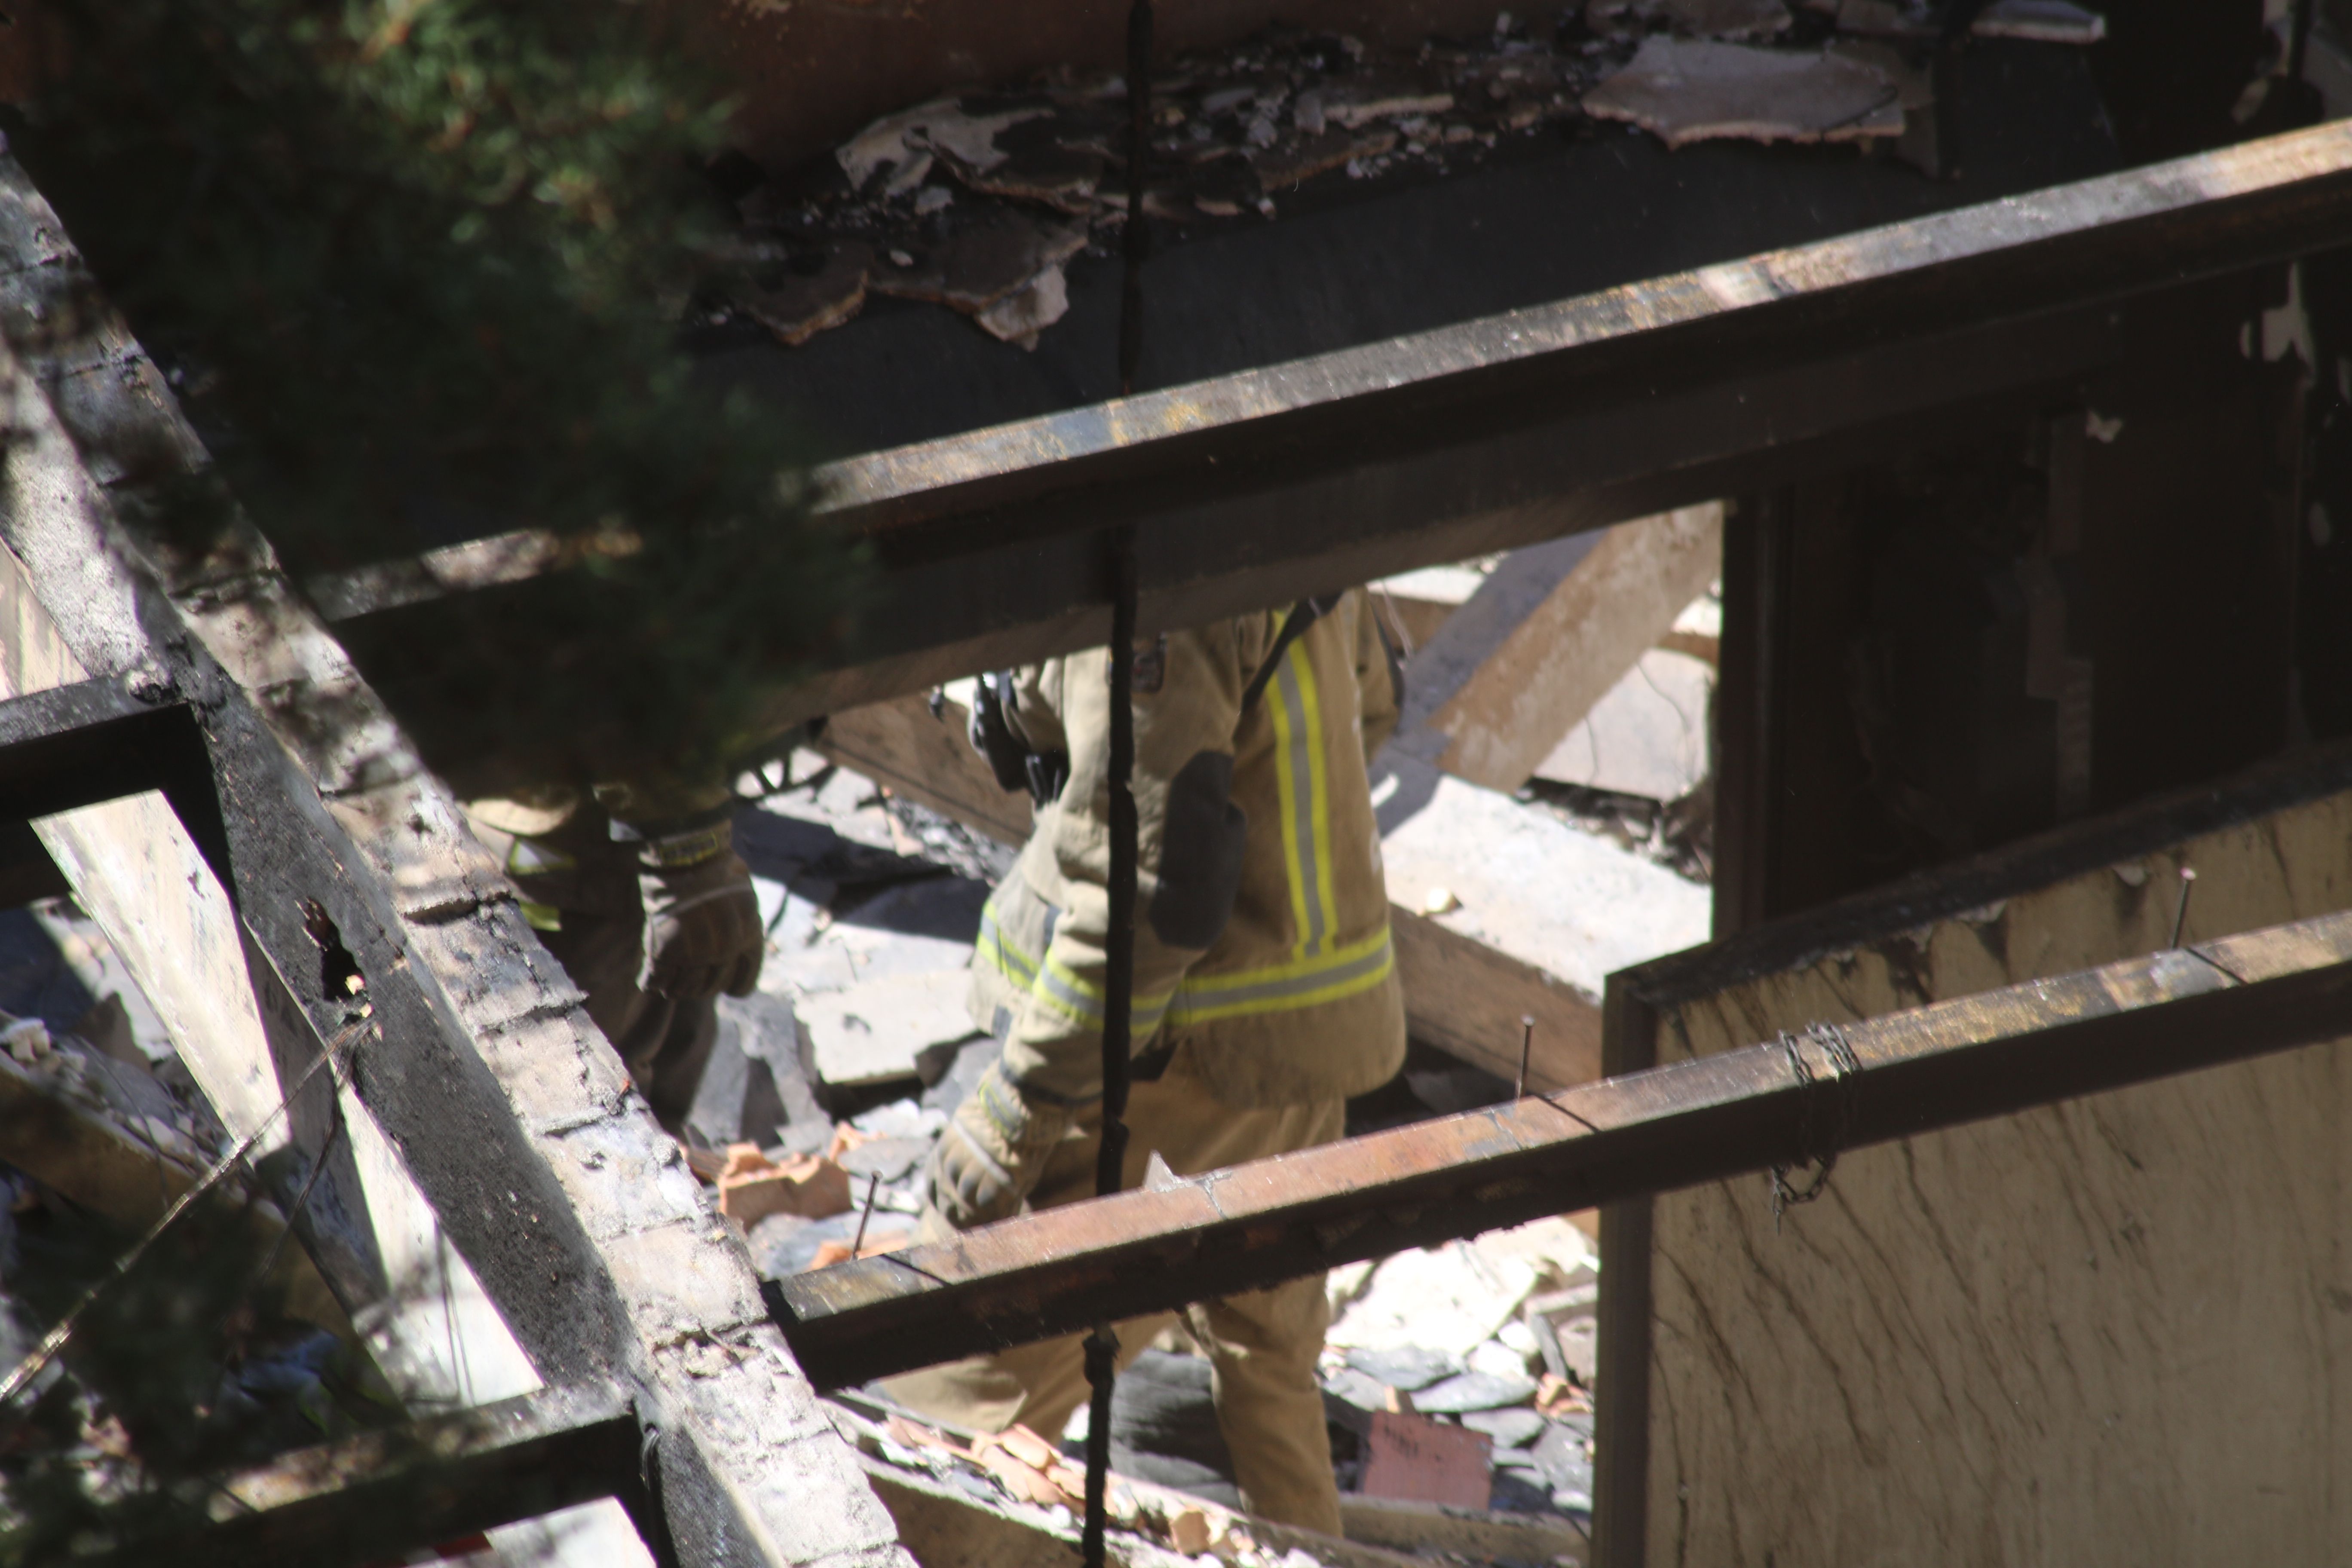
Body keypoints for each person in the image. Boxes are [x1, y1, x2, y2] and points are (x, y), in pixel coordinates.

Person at [884, 589, 1408, 1535]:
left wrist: (1017, 1110)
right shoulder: (1271, 492)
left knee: (939, 1396)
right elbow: (1376, 701)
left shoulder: (1144, 577)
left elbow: (1149, 899)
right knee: (1266, 1374)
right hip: (1298, 1036)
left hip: (1170, 1049)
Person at [462, 772, 764, 1134]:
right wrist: (693, 856)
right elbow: (626, 724)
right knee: (587, 1085)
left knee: (675, 1038)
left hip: (606, 824)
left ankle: (657, 1154)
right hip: (582, 844)